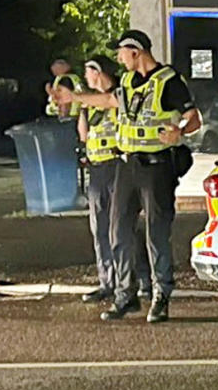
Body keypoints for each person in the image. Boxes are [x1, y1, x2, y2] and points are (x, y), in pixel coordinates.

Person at [58, 29, 200, 323]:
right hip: (127, 165)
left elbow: (194, 117)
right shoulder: (126, 81)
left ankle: (161, 296)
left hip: (156, 166)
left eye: (121, 52)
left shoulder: (168, 81)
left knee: (156, 233)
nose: (119, 59)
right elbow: (109, 102)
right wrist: (76, 97)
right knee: (118, 230)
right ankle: (126, 296)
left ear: (136, 52)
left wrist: (180, 131)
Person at [76, 55, 151, 303]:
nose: (86, 77)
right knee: (100, 228)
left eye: (88, 72)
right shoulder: (89, 102)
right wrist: (83, 108)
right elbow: (84, 136)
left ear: (98, 72)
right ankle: (107, 281)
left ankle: (141, 280)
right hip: (97, 169)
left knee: (122, 227)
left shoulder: (120, 95)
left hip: (118, 165)